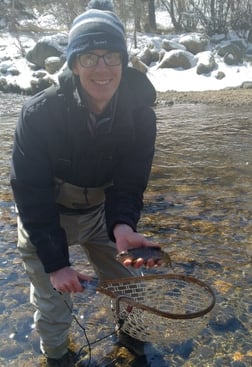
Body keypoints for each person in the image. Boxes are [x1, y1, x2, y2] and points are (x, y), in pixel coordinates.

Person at [10, 2, 158, 366]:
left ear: (123, 62)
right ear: (73, 65)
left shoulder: (141, 115)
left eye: (110, 56)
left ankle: (133, 345)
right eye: (89, 57)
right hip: (46, 214)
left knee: (129, 285)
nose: (102, 68)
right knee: (54, 302)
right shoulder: (39, 114)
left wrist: (123, 226)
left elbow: (129, 182)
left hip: (101, 212)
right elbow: (30, 195)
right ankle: (58, 357)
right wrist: (57, 262)